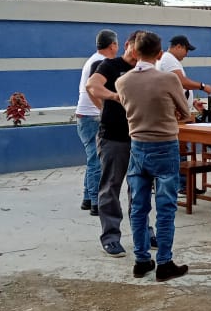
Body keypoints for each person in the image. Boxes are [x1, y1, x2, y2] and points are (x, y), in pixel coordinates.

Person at [116, 31, 191, 282]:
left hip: (137, 146)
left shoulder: (122, 82)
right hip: (165, 145)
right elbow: (186, 112)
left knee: (138, 206)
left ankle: (141, 260)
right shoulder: (168, 79)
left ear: (134, 52)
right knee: (166, 206)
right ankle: (164, 262)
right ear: (160, 53)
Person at [85, 30, 154, 256]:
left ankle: (144, 231)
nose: (138, 58)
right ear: (127, 45)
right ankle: (111, 236)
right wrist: (114, 98)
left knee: (140, 188)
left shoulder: (146, 69)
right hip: (113, 138)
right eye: (135, 52)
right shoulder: (109, 66)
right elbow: (92, 86)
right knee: (111, 187)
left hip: (140, 138)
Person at [76, 29, 117, 212]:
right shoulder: (101, 62)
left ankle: (87, 197)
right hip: (92, 116)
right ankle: (96, 201)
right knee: (97, 160)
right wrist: (104, 110)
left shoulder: (93, 60)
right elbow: (94, 89)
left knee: (92, 157)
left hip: (86, 116)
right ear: (112, 45)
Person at [157, 34, 211, 117]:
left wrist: (192, 102)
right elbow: (182, 82)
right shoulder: (168, 59)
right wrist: (203, 86)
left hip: (178, 110)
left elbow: (177, 87)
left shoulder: (171, 59)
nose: (187, 53)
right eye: (186, 50)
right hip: (174, 112)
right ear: (178, 47)